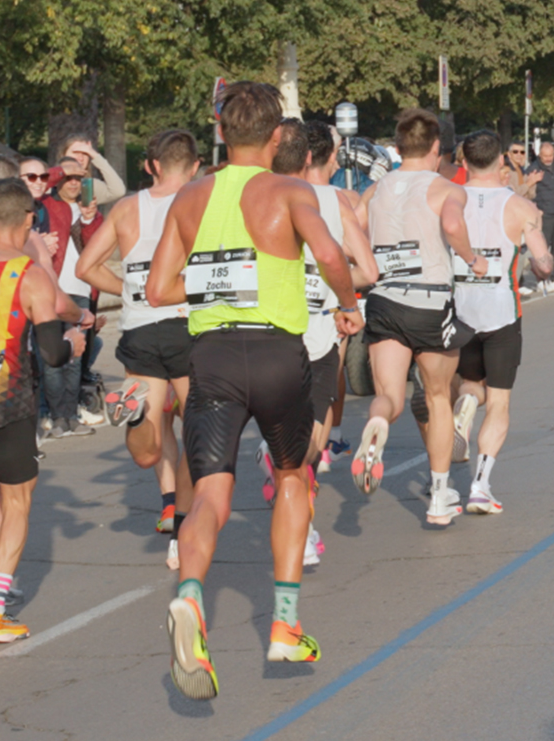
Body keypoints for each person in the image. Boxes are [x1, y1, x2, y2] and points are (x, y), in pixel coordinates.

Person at [146, 81, 363, 700]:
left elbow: (159, 289)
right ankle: (285, 625)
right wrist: (347, 306)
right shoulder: (291, 190)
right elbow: (328, 253)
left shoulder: (188, 199)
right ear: (276, 137)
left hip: (211, 357)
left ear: (219, 131)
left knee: (210, 492)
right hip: (277, 354)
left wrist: (221, 282)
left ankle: (189, 595)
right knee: (294, 476)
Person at [0, 178, 83, 643]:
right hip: (10, 406)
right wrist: (74, 340)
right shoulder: (30, 275)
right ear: (29, 220)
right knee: (16, 502)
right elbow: (51, 353)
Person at [351, 107, 485, 525]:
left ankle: (377, 422)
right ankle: (440, 495)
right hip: (429, 300)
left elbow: (351, 228)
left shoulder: (375, 190)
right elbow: (451, 223)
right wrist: (471, 257)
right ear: (435, 147)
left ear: (397, 146)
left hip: (384, 298)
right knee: (437, 396)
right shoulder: (446, 187)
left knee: (389, 394)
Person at [75, 130, 201, 571]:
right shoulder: (199, 203)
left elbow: (84, 267)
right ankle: (181, 527)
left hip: (140, 330)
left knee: (150, 444)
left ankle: (166, 496)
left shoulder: (128, 208)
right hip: (187, 324)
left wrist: (132, 289)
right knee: (199, 432)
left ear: (151, 166)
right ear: (196, 166)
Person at [267, 119, 378, 566]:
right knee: (311, 438)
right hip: (318, 326)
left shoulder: (261, 195)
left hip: (266, 325)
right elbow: (368, 271)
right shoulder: (337, 201)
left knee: (286, 430)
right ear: (319, 156)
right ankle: (304, 530)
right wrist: (336, 292)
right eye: (334, 153)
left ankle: (302, 524)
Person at [440, 130, 553, 513]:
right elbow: (543, 260)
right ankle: (481, 485)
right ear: (502, 162)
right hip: (501, 311)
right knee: (500, 402)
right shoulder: (520, 207)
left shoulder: (447, 200)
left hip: (459, 307)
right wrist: (542, 265)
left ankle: (466, 403)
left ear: (464, 161)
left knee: (470, 383)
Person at [41, 156, 103, 437]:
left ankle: (70, 415)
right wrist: (60, 171)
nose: (74, 182)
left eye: (80, 178)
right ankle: (56, 418)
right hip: (51, 290)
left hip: (80, 292)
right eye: (69, 177)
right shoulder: (46, 206)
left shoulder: (90, 212)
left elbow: (97, 250)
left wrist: (89, 219)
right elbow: (35, 185)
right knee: (54, 357)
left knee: (75, 358)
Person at [526, 142, 554, 292]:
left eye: (551, 155)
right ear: (540, 154)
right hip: (545, 212)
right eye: (545, 156)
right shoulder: (534, 167)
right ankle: (541, 280)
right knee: (543, 250)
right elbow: (528, 190)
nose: (548, 158)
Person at [56, 136, 127, 207]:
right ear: (63, 155)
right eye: (76, 152)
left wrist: (95, 156)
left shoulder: (90, 186)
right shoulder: (51, 182)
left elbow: (118, 191)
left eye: (85, 153)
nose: (80, 158)